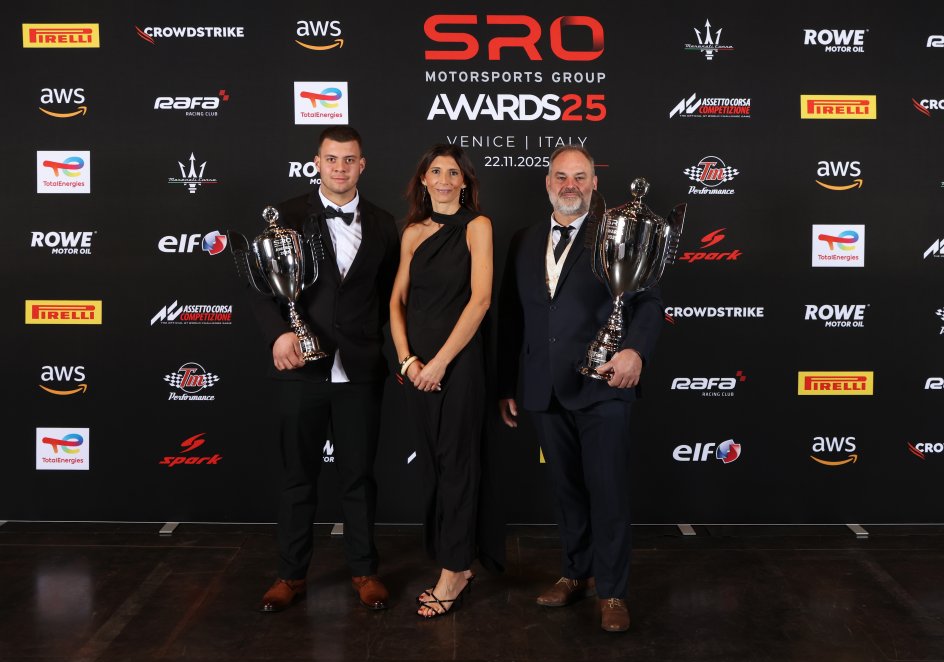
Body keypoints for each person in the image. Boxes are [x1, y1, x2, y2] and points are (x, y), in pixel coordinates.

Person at [497, 145, 663, 632]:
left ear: (594, 183)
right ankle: (576, 573)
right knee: (566, 490)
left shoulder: (619, 231)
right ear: (548, 182)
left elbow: (649, 302)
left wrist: (635, 352)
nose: (570, 185)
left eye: (580, 176)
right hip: (543, 387)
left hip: (603, 385)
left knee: (607, 492)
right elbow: (512, 316)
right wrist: (507, 382)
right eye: (561, 176)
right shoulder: (524, 239)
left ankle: (612, 592)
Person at [247, 125, 400, 612]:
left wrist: (380, 344)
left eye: (349, 159)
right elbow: (260, 288)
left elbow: (389, 294)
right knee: (298, 477)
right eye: (331, 159)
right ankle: (290, 576)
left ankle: (364, 570)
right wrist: (279, 334)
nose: (340, 168)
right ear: (316, 163)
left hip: (360, 369)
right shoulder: (286, 216)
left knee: (359, 477)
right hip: (300, 369)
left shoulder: (383, 223)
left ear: (362, 165)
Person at [389, 144, 493, 618]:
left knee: (457, 465)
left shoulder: (478, 226)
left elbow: (480, 300)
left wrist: (439, 364)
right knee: (432, 466)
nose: (445, 180)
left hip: (459, 364)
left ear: (465, 182)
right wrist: (408, 361)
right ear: (424, 180)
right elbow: (397, 302)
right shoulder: (412, 232)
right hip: (417, 369)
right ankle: (450, 557)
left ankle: (455, 570)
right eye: (437, 171)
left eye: (454, 173)